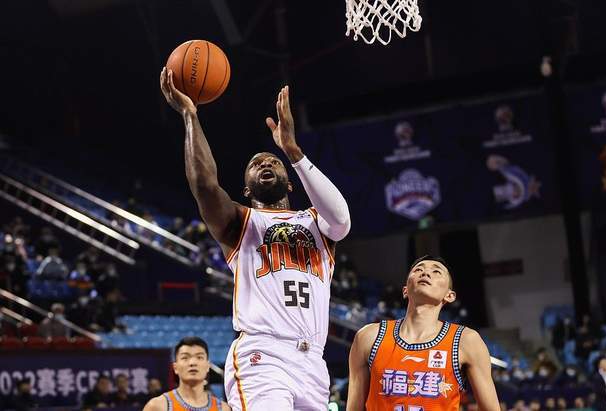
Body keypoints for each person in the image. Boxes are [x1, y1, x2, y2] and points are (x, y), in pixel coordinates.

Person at [160, 67, 350, 411]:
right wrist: (190, 116)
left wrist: (293, 151)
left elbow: (342, 220)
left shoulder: (316, 222)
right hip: (264, 354)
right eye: (256, 163)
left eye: (273, 161)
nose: (265, 163)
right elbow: (204, 186)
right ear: (246, 190)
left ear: (290, 182)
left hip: (313, 362)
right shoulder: (240, 222)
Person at [346, 255, 499, 411]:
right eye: (418, 270)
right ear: (405, 290)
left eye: (436, 272)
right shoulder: (369, 337)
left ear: (449, 295)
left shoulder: (466, 341)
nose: (425, 273)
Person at [144, 337, 230, 411]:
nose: (192, 363)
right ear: (175, 367)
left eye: (199, 357)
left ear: (208, 366)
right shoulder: (157, 406)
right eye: (185, 357)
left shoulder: (223, 408)